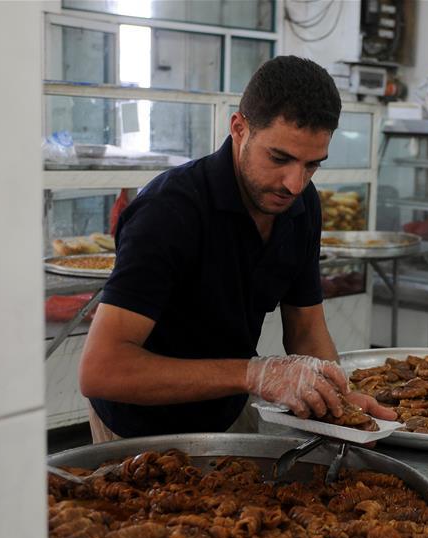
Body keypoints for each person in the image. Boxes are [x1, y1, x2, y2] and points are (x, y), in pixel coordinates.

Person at [79, 56, 395, 442]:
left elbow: (307, 329)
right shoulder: (169, 212)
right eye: (279, 158)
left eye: (312, 165)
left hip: (226, 409)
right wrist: (255, 373)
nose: (294, 183)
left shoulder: (301, 205)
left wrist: (338, 402)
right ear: (239, 128)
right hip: (138, 429)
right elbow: (102, 370)